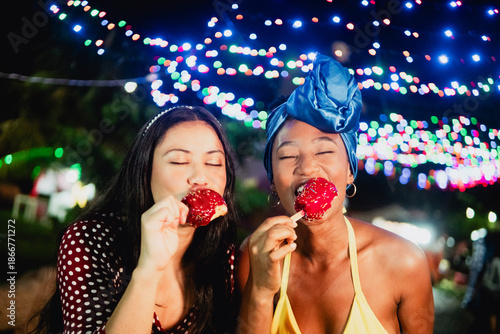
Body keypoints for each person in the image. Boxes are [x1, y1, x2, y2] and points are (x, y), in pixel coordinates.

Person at [237, 54, 434, 333]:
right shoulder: (255, 256)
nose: (307, 167)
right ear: (272, 181)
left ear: (350, 171)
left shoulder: (404, 261)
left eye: (325, 151)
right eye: (288, 155)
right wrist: (259, 289)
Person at [32, 106, 238, 334]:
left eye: (214, 163)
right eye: (179, 161)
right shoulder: (89, 240)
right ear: (144, 169)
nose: (200, 178)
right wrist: (149, 270)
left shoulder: (224, 257)